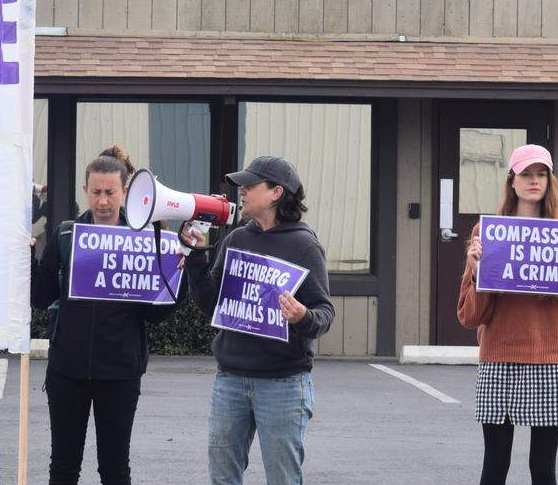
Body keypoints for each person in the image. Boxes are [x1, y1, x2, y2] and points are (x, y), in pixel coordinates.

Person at [30, 145, 181, 485]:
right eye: (95, 192)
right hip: (67, 370)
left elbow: (156, 315)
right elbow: (41, 298)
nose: (102, 201)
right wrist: (30, 259)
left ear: (125, 191)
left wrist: (177, 277)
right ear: (85, 190)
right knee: (63, 468)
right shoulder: (67, 234)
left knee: (114, 469)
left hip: (120, 373)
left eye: (110, 192)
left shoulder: (144, 240)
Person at [181, 155, 335, 485]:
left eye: (250, 186)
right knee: (222, 475)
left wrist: (303, 316)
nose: (242, 192)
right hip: (231, 380)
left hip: (283, 384)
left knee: (282, 478)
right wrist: (195, 258)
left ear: (277, 193)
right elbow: (213, 304)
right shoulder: (237, 239)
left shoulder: (305, 246)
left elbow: (325, 313)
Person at [457, 144, 558, 485]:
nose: (534, 181)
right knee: (494, 465)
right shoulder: (487, 234)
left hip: (552, 359)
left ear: (550, 182)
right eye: (526, 174)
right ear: (512, 181)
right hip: (499, 358)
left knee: (543, 468)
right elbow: (469, 317)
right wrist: (475, 270)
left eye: (541, 174)